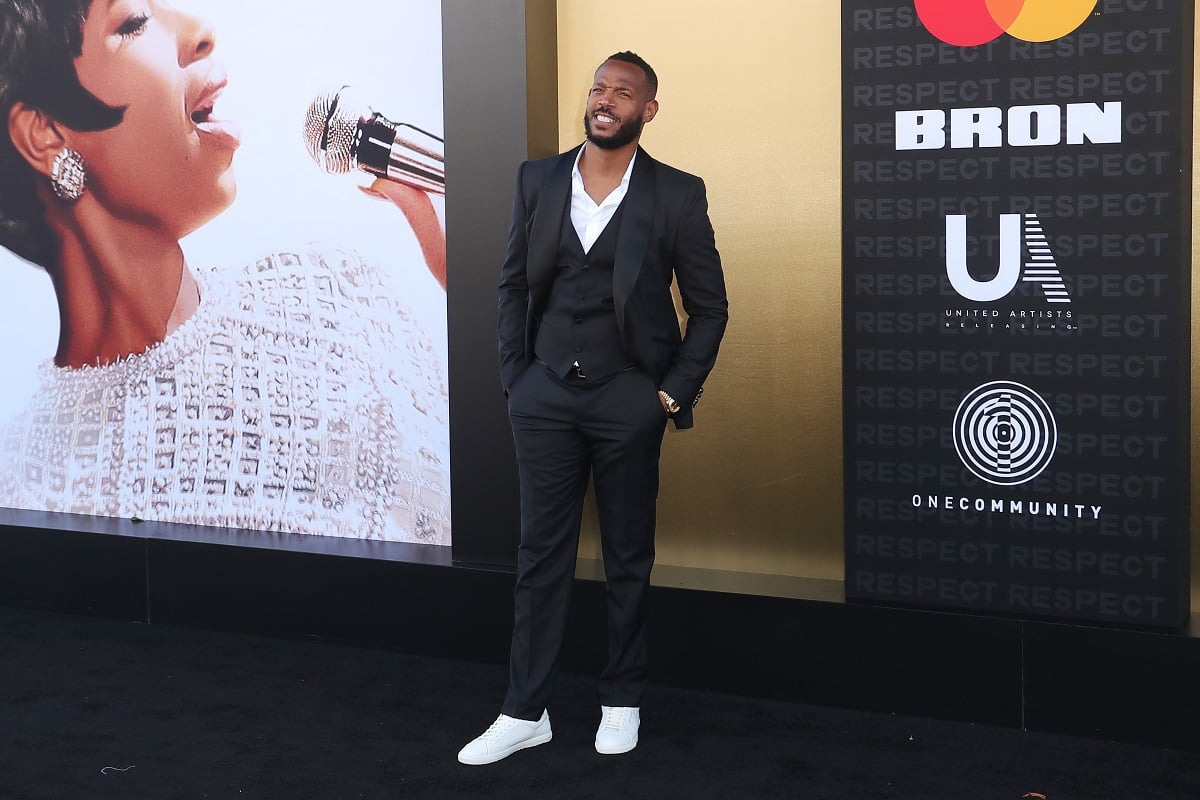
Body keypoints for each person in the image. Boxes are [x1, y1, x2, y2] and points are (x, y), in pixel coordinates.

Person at [0, 0, 450, 543]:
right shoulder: (21, 484)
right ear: (43, 133)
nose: (201, 32)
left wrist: (504, 300)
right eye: (133, 22)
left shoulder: (332, 300)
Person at [459, 51, 728, 764]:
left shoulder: (676, 193)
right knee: (538, 557)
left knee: (626, 556)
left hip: (628, 399)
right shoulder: (538, 179)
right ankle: (525, 711)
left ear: (648, 110)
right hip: (544, 393)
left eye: (624, 92)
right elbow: (512, 284)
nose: (606, 100)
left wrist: (669, 393)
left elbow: (710, 308)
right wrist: (517, 377)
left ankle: (622, 699)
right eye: (599, 87)